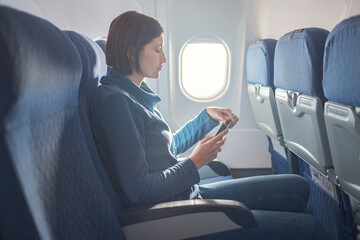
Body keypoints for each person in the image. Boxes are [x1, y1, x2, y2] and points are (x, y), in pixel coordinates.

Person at [90, 11, 328, 239]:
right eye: (157, 49)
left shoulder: (134, 94)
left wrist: (206, 117)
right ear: (132, 52)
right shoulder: (116, 103)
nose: (163, 58)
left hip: (186, 195)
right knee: (310, 227)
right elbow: (139, 190)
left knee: (298, 186)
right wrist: (195, 162)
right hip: (172, 215)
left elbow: (166, 150)